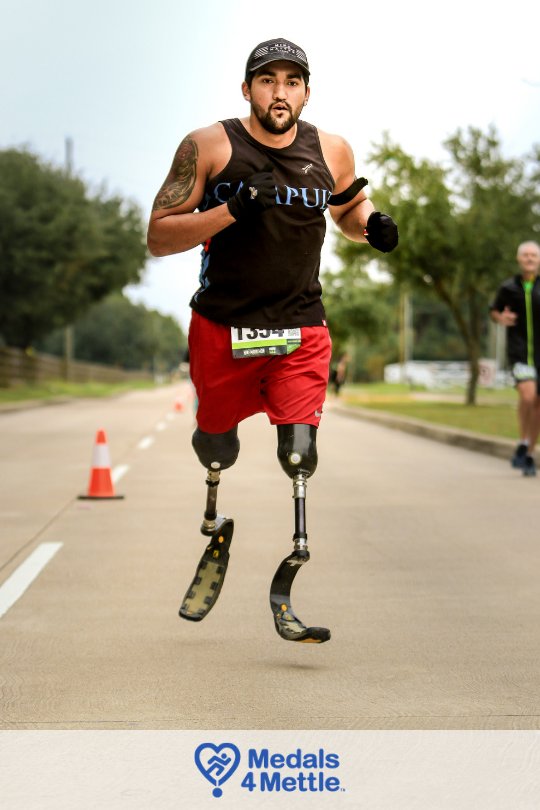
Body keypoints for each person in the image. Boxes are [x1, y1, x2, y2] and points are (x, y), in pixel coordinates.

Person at [147, 37, 398, 642]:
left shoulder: (330, 148)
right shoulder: (208, 145)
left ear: (306, 91)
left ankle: (294, 563)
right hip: (222, 328)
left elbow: (345, 208)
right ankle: (215, 508)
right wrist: (231, 209)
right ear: (247, 89)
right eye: (267, 80)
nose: (279, 92)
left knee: (298, 452)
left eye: (291, 81)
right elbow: (159, 236)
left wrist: (372, 225)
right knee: (216, 446)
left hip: (300, 326)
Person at [490, 241, 540, 477]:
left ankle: (529, 453)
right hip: (519, 353)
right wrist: (502, 318)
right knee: (528, 396)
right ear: (519, 259)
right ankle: (522, 440)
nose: (530, 258)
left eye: (534, 255)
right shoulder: (508, 287)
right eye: (526, 255)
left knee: (538, 404)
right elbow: (494, 310)